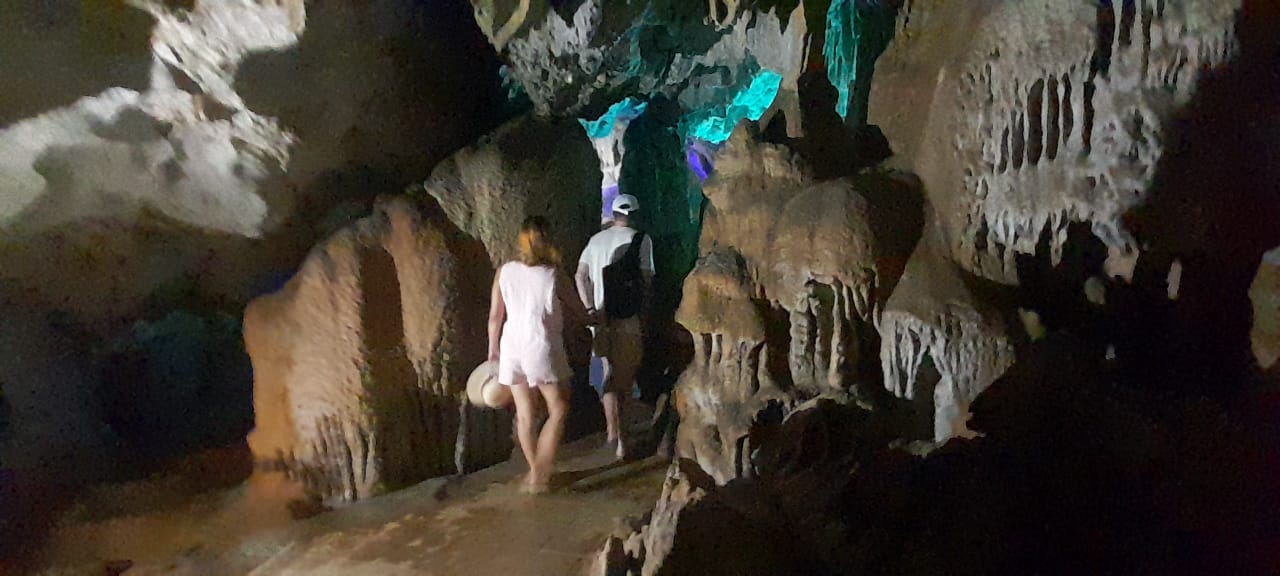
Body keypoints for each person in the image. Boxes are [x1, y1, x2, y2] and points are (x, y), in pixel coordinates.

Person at [488, 216, 589, 493]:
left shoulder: (504, 271)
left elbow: (495, 316)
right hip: (539, 345)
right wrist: (595, 319)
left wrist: (493, 350)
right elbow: (579, 311)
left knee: (525, 414)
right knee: (558, 408)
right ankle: (540, 471)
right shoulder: (553, 274)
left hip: (512, 346)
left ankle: (534, 471)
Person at [575, 194, 654, 460]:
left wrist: (589, 308)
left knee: (609, 375)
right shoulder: (640, 239)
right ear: (635, 213)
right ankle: (624, 441)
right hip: (627, 319)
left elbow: (580, 275)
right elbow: (646, 280)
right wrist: (646, 316)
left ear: (615, 212)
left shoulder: (596, 240)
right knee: (625, 381)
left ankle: (611, 433)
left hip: (600, 319)